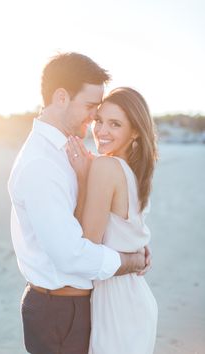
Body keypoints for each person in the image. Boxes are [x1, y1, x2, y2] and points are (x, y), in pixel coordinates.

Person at [8, 53, 150, 354]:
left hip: (78, 306)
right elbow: (71, 255)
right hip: (60, 310)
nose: (93, 120)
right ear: (61, 97)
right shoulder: (41, 164)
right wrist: (131, 260)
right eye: (90, 108)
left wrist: (131, 244)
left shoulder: (69, 152)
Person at [67, 87, 158, 354]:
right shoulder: (134, 172)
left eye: (115, 124)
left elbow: (88, 243)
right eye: (99, 121)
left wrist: (84, 181)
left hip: (117, 304)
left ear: (135, 132)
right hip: (134, 297)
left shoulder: (105, 167)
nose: (101, 131)